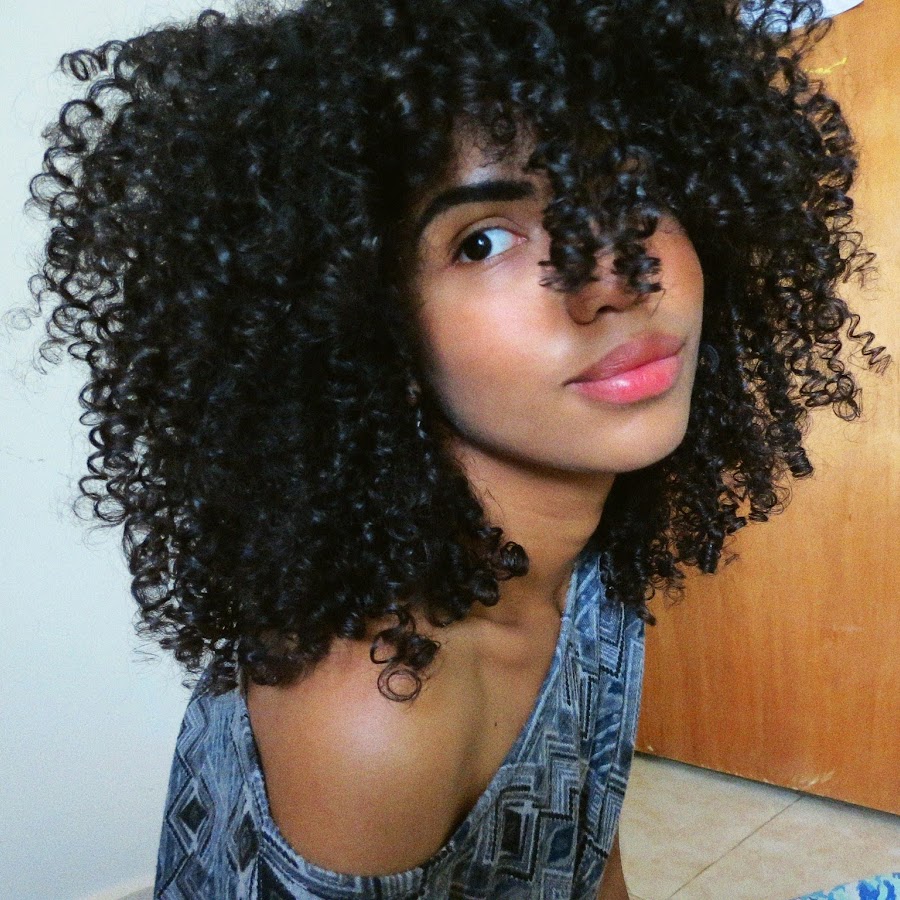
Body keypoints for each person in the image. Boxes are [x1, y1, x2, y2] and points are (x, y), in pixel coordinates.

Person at [18, 0, 889, 897]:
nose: (612, 278)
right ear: (368, 328)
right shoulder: (382, 712)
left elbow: (582, 840)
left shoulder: (581, 550)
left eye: (631, 191)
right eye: (483, 241)